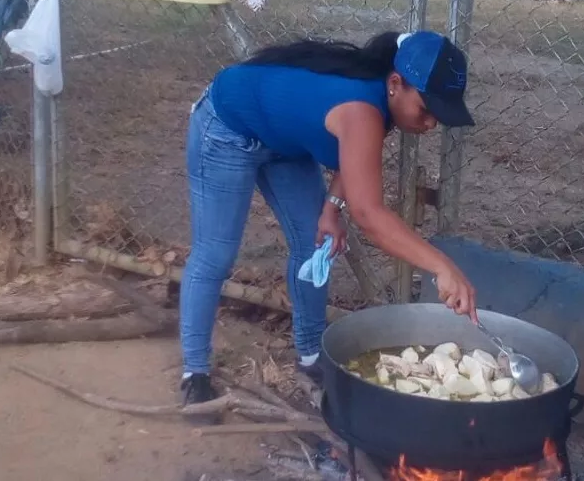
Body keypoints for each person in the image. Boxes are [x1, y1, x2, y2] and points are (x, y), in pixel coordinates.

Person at [180, 29, 478, 406]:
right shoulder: (363, 110)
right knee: (215, 254)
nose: (432, 123)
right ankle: (195, 373)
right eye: (427, 108)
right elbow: (369, 214)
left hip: (284, 143)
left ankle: (310, 355)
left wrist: (331, 209)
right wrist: (442, 266)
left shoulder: (381, 101)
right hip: (227, 128)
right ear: (395, 83)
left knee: (313, 242)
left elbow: (352, 159)